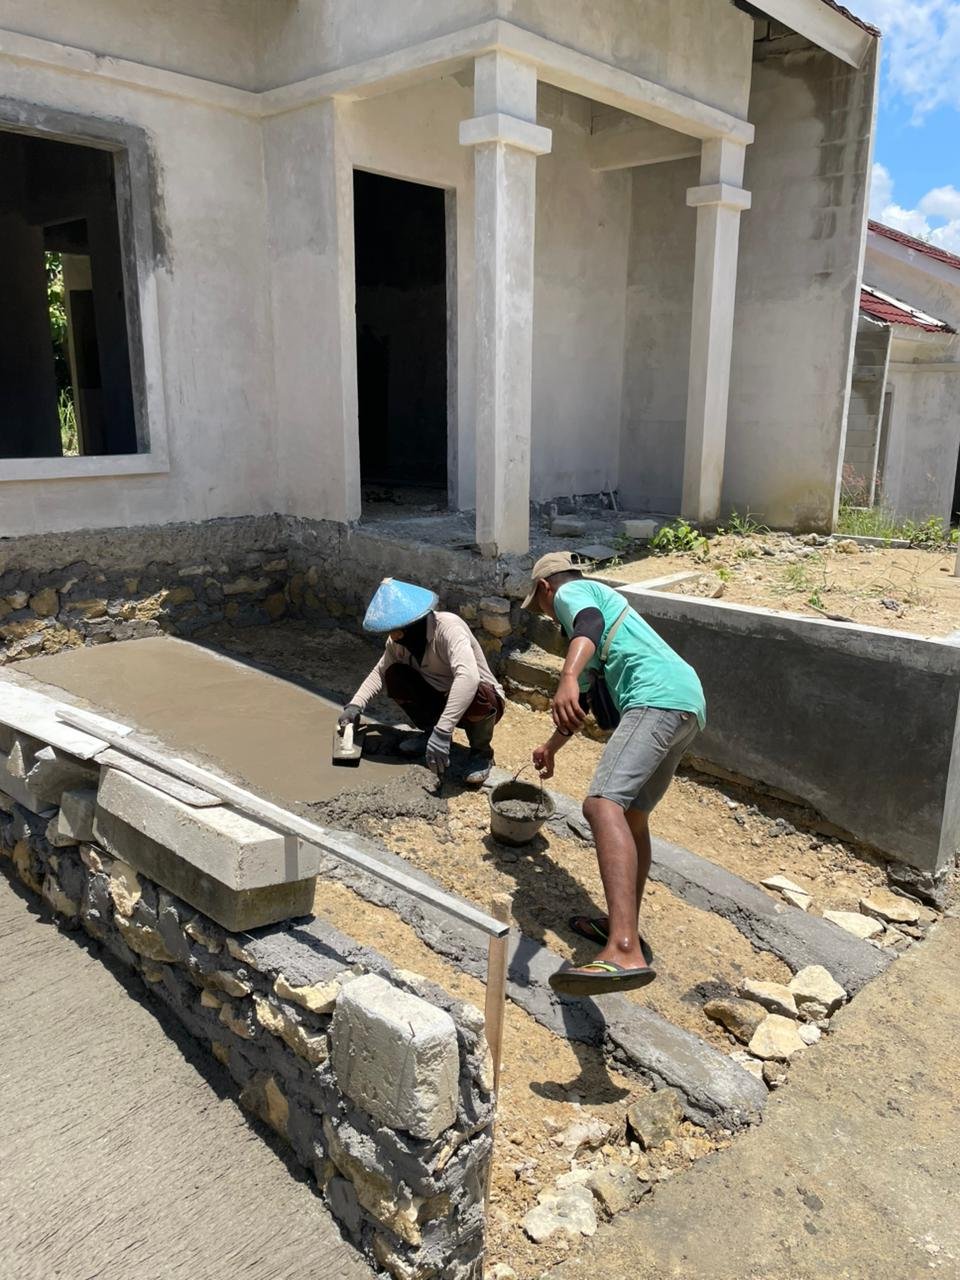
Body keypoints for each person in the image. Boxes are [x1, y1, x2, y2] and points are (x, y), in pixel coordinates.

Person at [523, 552, 706, 997]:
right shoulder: (598, 631)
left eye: (542, 606)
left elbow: (586, 623)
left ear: (545, 588)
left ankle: (623, 949)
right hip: (686, 703)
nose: (548, 614)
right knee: (632, 817)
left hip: (655, 698)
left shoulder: (573, 592)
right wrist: (551, 747)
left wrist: (566, 673)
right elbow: (583, 703)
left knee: (601, 805)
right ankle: (623, 925)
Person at [339, 577, 505, 786]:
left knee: (477, 692)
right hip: (439, 697)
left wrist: (443, 731)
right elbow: (380, 672)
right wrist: (355, 705)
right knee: (395, 675)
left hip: (482, 703)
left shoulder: (449, 628)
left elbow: (468, 678)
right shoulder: (397, 641)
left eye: (396, 629)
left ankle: (481, 754)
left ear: (411, 623)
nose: (393, 636)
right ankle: (430, 733)